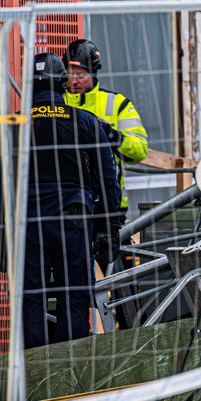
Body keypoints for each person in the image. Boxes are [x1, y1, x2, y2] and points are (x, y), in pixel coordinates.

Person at [0, 53, 122, 350]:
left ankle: (34, 375)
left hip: (27, 224)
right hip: (73, 220)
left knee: (30, 296)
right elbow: (107, 179)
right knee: (74, 295)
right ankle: (70, 376)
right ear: (63, 85)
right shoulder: (85, 121)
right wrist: (109, 228)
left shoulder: (11, 124)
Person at [63, 38, 146, 268]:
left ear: (94, 73)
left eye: (81, 74)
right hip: (70, 210)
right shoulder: (57, 104)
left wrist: (113, 136)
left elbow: (139, 149)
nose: (75, 80)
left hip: (110, 213)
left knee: (120, 286)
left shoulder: (116, 104)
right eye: (70, 73)